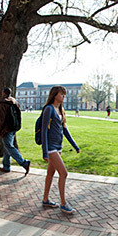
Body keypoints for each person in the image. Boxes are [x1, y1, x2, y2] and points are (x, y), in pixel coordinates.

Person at [40, 86, 81, 214]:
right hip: (51, 148)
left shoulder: (60, 110)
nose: (63, 96)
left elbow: (65, 130)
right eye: (61, 93)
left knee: (50, 174)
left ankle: (45, 199)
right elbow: (44, 132)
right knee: (64, 173)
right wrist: (45, 151)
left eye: (64, 94)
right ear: (54, 94)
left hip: (58, 147)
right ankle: (63, 203)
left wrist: (75, 145)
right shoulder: (49, 109)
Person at [0, 87, 31, 175]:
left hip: (6, 128)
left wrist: (0, 129)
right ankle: (6, 166)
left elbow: (2, 118)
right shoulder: (15, 102)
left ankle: (24, 163)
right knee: (7, 146)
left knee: (9, 146)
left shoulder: (3, 103)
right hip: (14, 127)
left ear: (4, 93)